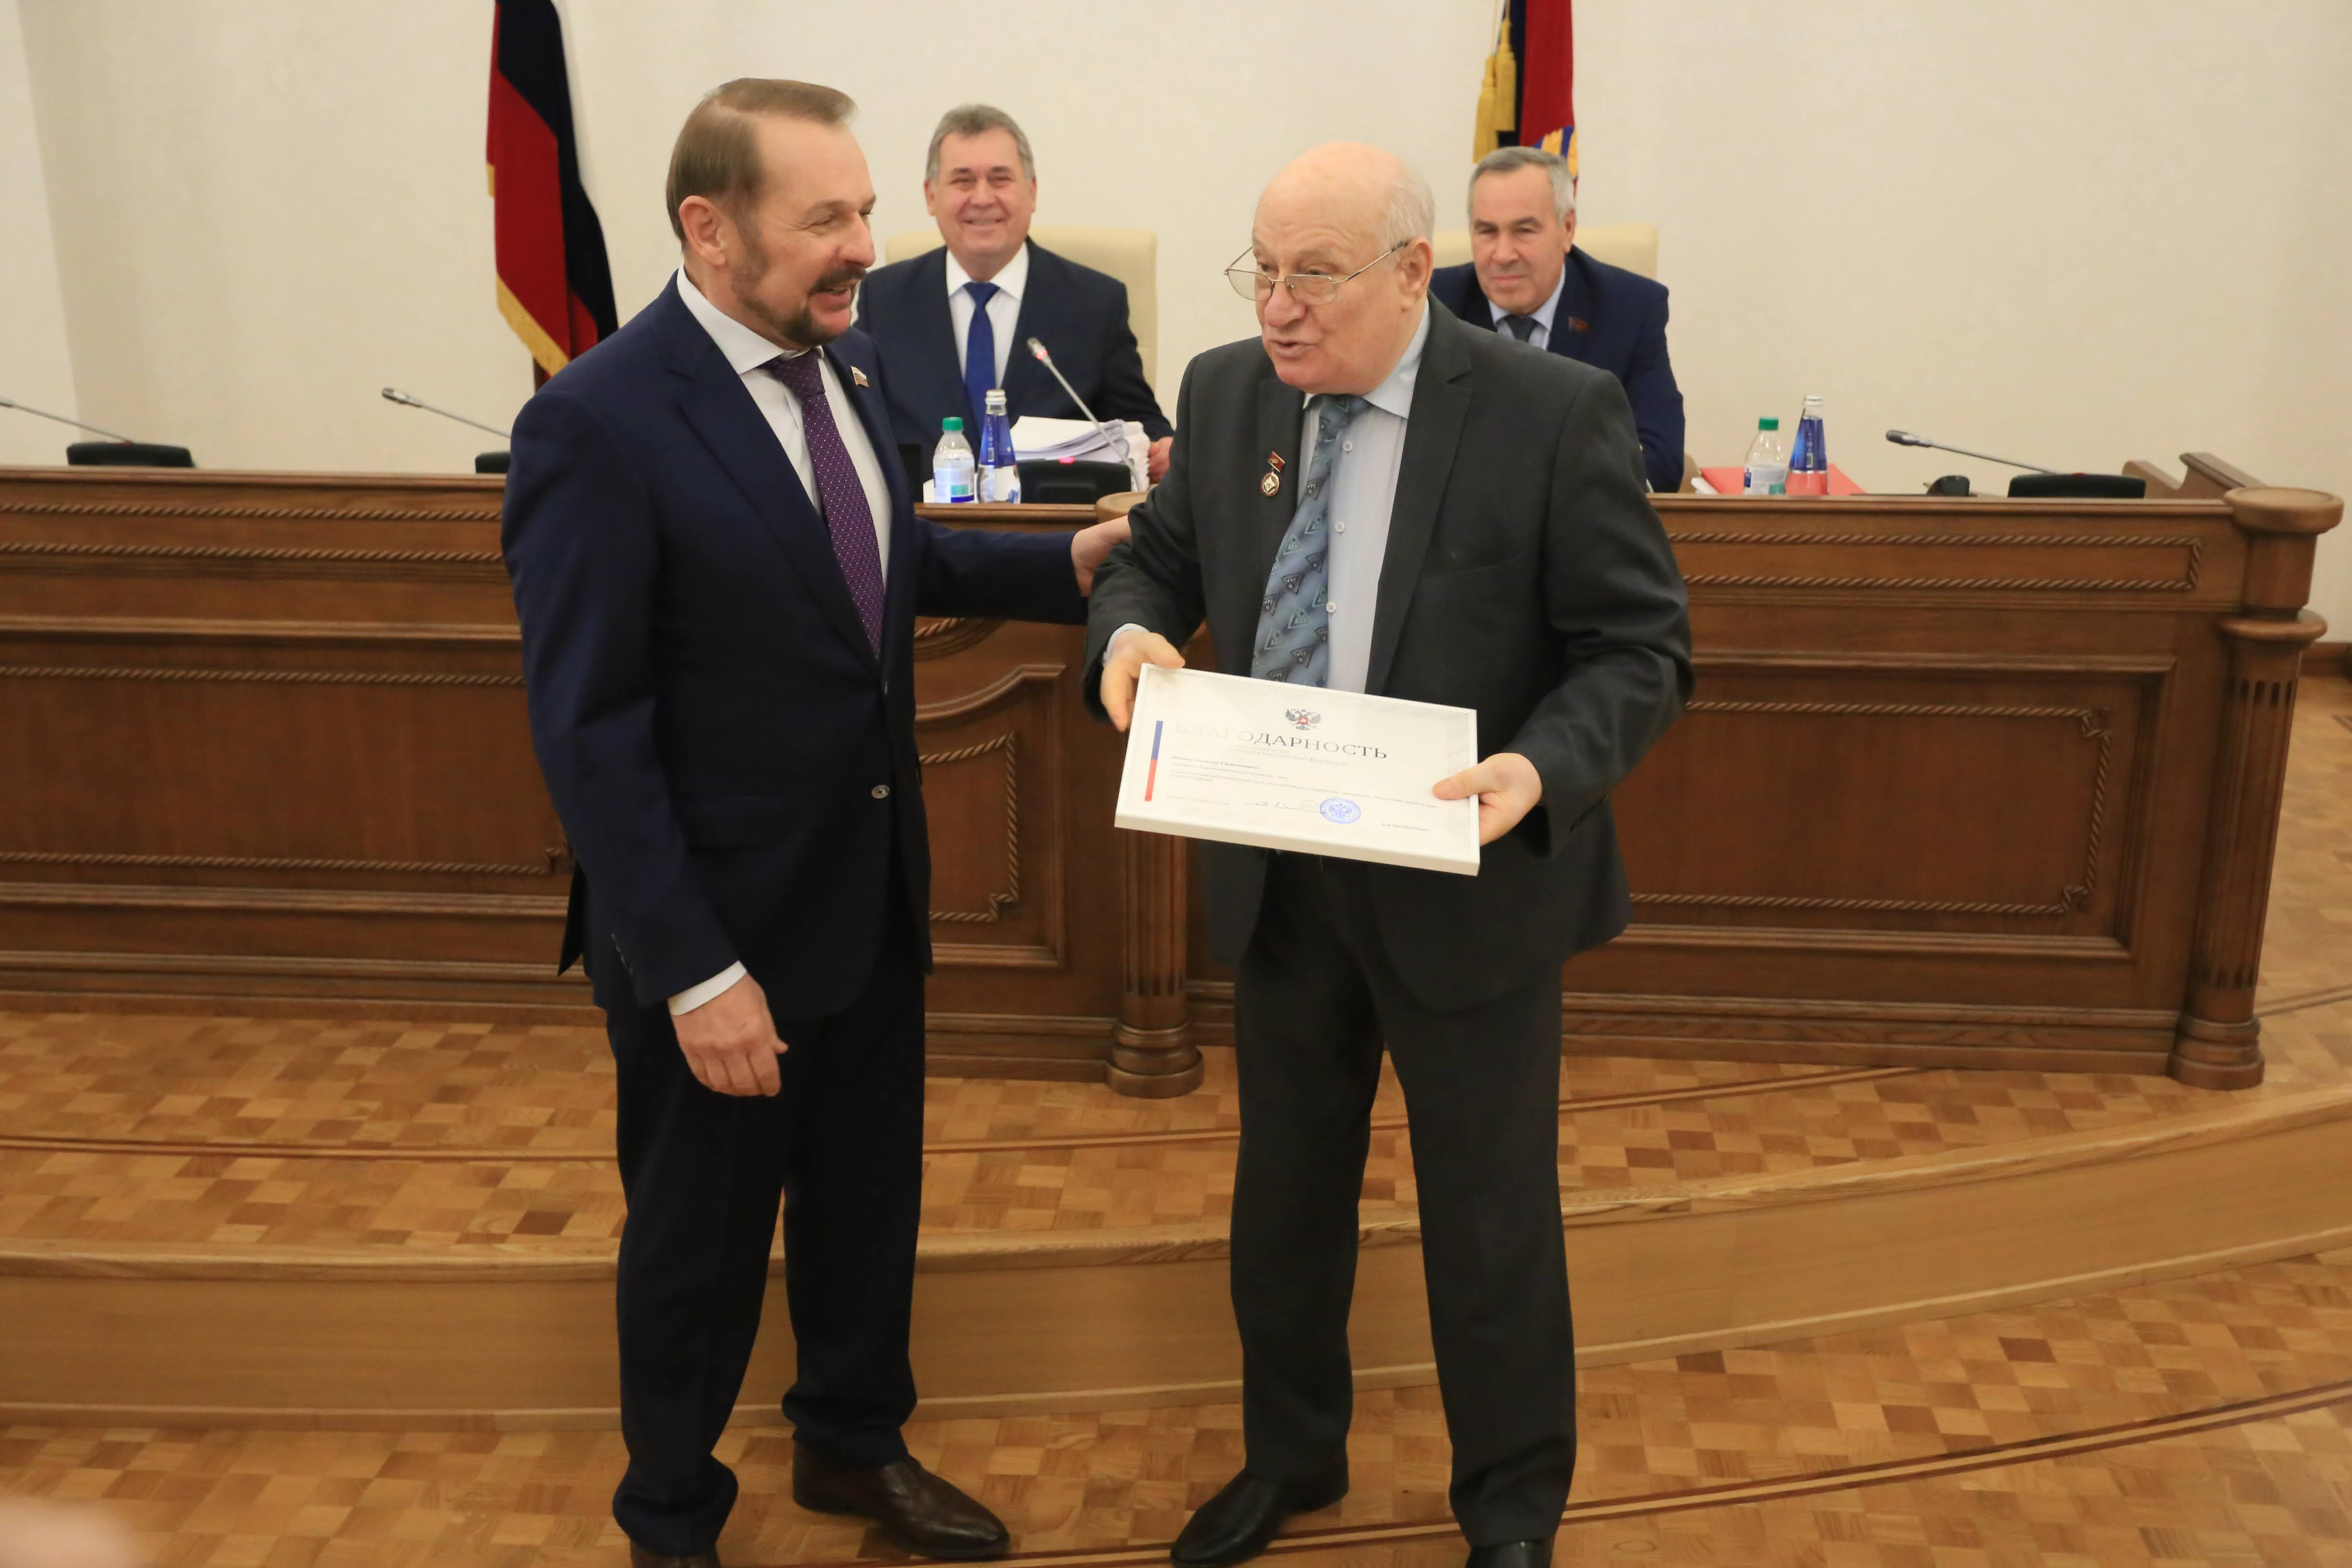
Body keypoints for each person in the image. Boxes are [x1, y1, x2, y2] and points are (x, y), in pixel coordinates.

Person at [502, 78, 1128, 1568]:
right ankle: (671, 1517)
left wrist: (1069, 565)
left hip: (867, 897)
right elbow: (590, 729)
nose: (865, 246)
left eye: (864, 211)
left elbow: (876, 562)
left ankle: (853, 1442)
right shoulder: (597, 421)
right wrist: (693, 969)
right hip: (718, 939)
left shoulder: (844, 362)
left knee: (863, 1209)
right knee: (699, 1251)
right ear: (710, 229)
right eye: (826, 219)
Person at [1087, 144, 1692, 1568]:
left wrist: (1538, 767)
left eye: (1313, 275)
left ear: (1415, 274)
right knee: (1284, 1201)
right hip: (1285, 875)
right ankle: (1290, 1455)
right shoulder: (1230, 393)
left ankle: (1510, 1510)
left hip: (1468, 875)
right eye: (1261, 271)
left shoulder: (1550, 412)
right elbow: (1157, 555)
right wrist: (1130, 627)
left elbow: (1640, 647)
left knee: (1488, 1221)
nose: (1277, 307)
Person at [854, 104, 1174, 483]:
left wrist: (1165, 449)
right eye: (963, 181)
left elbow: (1141, 427)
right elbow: (855, 421)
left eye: (1000, 179)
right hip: (922, 517)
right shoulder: (884, 299)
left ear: (1032, 192)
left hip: (1050, 517)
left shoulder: (1095, 304)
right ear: (931, 195)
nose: (982, 198)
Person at [1429, 146, 1686, 494]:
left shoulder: (1631, 308)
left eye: (1524, 230)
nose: (1503, 255)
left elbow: (1661, 461)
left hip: (1580, 523)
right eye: (1487, 231)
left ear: (1567, 229)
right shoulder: (1433, 307)